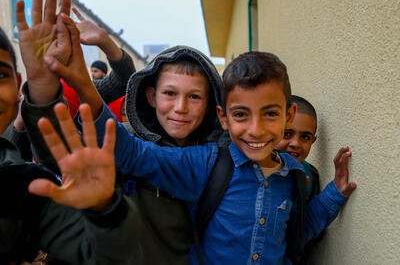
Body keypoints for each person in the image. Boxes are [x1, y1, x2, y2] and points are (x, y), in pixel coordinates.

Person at [42, 29, 357, 264]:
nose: (256, 129)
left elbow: (298, 231)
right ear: (223, 117)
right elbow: (130, 151)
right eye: (241, 115)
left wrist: (334, 194)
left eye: (270, 114)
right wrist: (83, 82)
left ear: (287, 115)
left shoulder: (293, 176)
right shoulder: (206, 163)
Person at [21, 8, 224, 264]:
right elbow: (59, 153)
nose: (180, 107)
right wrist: (42, 88)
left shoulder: (219, 161)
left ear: (210, 103)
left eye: (194, 97)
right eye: (170, 94)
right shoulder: (122, 141)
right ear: (150, 96)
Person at [7, 0, 141, 263]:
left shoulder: (81, 89)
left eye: (64, 38)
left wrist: (105, 42)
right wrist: (23, 117)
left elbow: (125, 80)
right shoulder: (19, 104)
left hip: (83, 201)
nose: (56, 46)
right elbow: (8, 154)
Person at [276, 95, 321, 200]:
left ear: (312, 141)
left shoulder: (310, 174)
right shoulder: (252, 169)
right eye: (286, 134)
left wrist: (336, 191)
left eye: (305, 137)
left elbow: (310, 216)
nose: (295, 144)